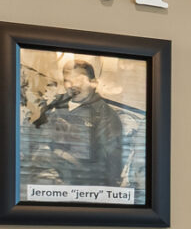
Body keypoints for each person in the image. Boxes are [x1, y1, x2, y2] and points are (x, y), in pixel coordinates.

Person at [24, 55, 132, 194]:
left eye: (79, 79)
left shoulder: (107, 117)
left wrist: (60, 156)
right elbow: (29, 142)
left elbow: (109, 172)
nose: (72, 85)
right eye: (67, 80)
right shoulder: (52, 105)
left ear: (93, 83)